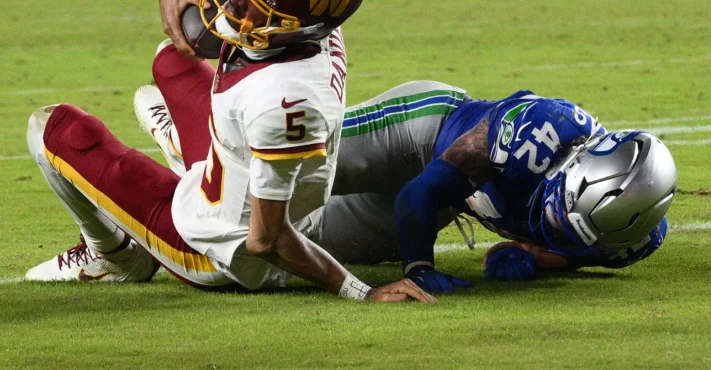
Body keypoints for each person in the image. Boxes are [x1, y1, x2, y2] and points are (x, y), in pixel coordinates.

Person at [24, 0, 434, 305]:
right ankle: (189, 152)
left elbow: (266, 240)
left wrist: (361, 292)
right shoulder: (316, 8)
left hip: (218, 245)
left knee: (51, 128)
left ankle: (112, 255)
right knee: (173, 55)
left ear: (293, 26)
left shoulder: (285, 104)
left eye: (248, 3)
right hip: (238, 163)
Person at [134, 79, 676, 290]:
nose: (553, 222)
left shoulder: (630, 238)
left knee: (309, 238)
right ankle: (185, 133)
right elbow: (420, 193)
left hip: (454, 196)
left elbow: (569, 251)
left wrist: (533, 258)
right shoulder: (537, 132)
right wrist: (418, 267)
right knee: (283, 173)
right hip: (421, 133)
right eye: (559, 209)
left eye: (569, 226)